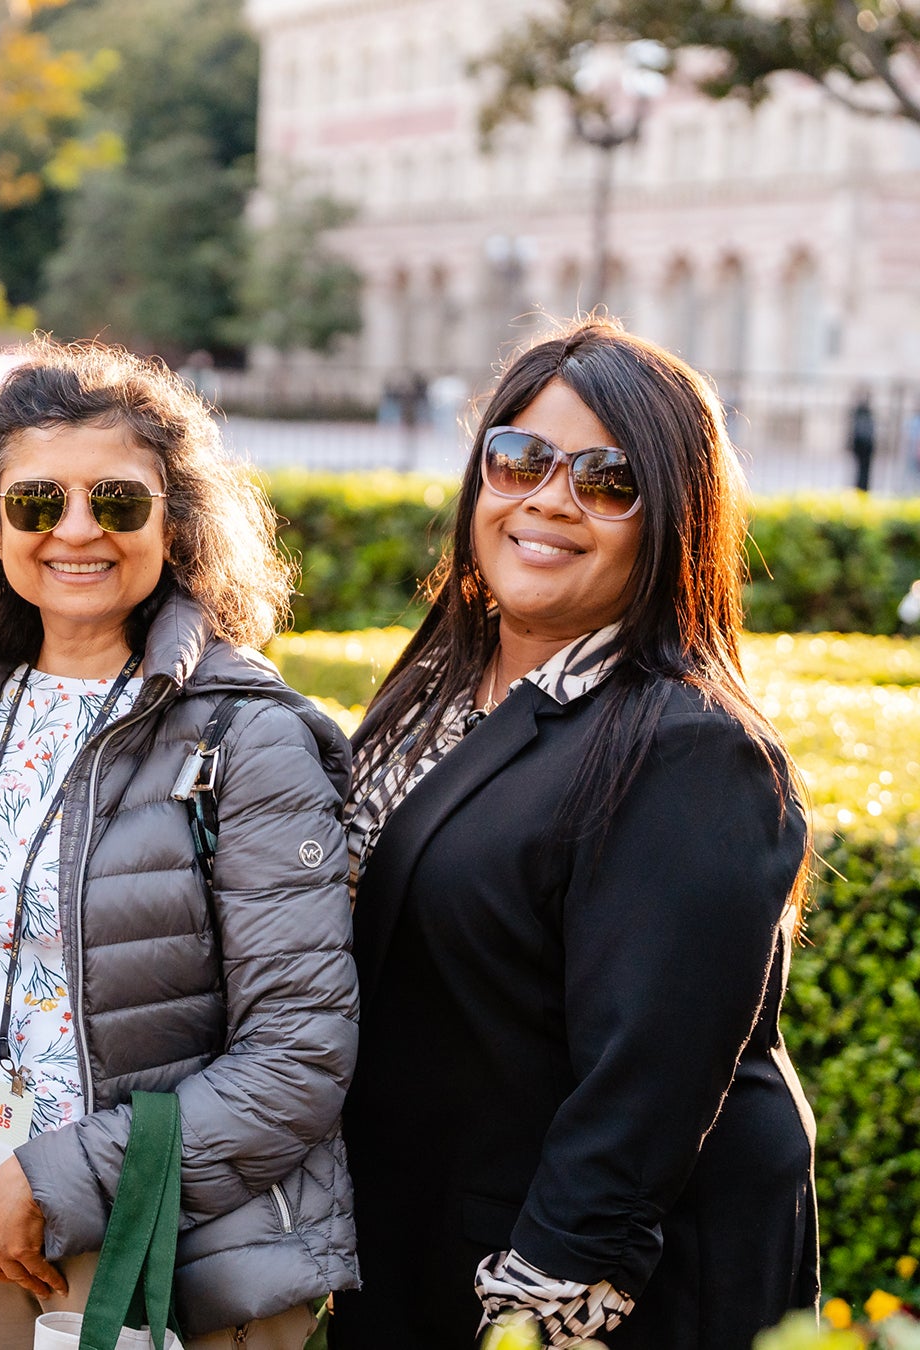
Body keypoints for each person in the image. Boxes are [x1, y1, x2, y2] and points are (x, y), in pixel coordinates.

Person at [329, 319, 816, 1350]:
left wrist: (531, 1323)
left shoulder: (687, 747)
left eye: (608, 480)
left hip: (575, 1295)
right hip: (420, 1239)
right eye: (520, 459)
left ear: (674, 518)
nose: (549, 498)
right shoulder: (442, 693)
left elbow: (636, 1109)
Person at [0, 340, 360, 1350]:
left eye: (119, 502)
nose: (77, 531)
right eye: (38, 502)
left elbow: (299, 1057)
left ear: (173, 523)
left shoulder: (247, 735)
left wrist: (58, 1183)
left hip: (169, 1249)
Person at [848, 389, 877, 493]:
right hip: (861, 444)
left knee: (865, 470)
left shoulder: (865, 411)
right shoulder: (859, 411)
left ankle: (862, 488)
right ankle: (860, 488)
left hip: (866, 445)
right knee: (861, 470)